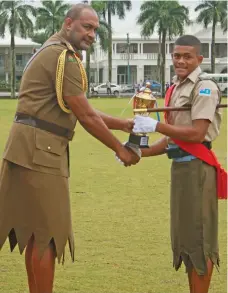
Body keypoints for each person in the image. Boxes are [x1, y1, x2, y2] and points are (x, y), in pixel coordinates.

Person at [0, 4, 140, 293]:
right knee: (48, 235)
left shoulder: (50, 51)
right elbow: (85, 115)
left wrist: (122, 124)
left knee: (37, 234)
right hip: (41, 151)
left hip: (28, 146)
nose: (91, 34)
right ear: (68, 23)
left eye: (95, 30)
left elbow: (80, 107)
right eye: (86, 27)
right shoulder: (64, 58)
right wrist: (120, 149)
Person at [132, 35, 227, 293]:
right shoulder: (175, 87)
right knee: (185, 239)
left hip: (198, 169)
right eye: (177, 56)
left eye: (187, 56)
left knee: (200, 240)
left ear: (199, 59)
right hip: (181, 169)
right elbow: (172, 138)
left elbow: (196, 134)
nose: (181, 61)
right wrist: (137, 152)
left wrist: (155, 124)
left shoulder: (204, 87)